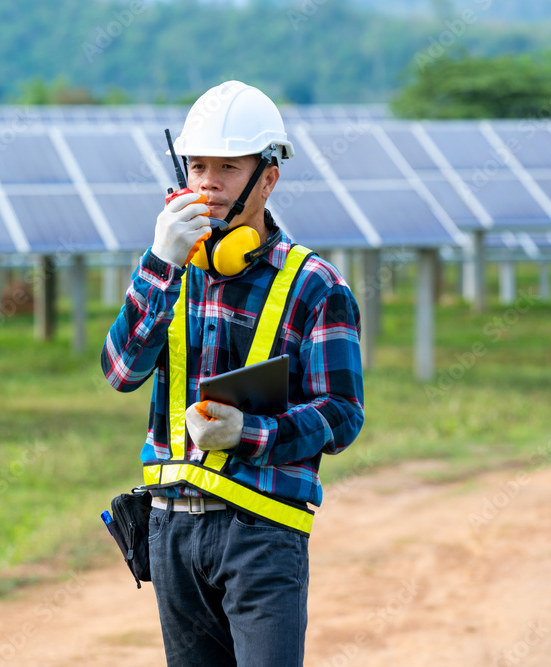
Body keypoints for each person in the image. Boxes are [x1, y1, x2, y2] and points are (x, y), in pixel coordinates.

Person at [101, 80, 365, 666]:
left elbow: (343, 416)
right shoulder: (168, 272)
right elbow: (120, 371)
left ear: (267, 178)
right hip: (170, 531)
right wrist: (158, 266)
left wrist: (250, 434)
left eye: (227, 167)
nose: (209, 184)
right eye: (198, 166)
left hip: (263, 534)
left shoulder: (314, 284)